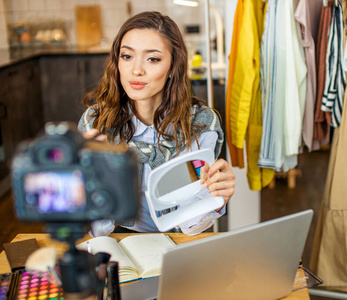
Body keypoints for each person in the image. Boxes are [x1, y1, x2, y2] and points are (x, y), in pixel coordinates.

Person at [78, 11, 235, 236]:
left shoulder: (200, 124)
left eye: (152, 58)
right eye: (127, 56)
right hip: (117, 238)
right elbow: (96, 225)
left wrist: (218, 198)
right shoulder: (96, 123)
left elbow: (191, 223)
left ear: (172, 67)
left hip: (176, 238)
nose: (137, 70)